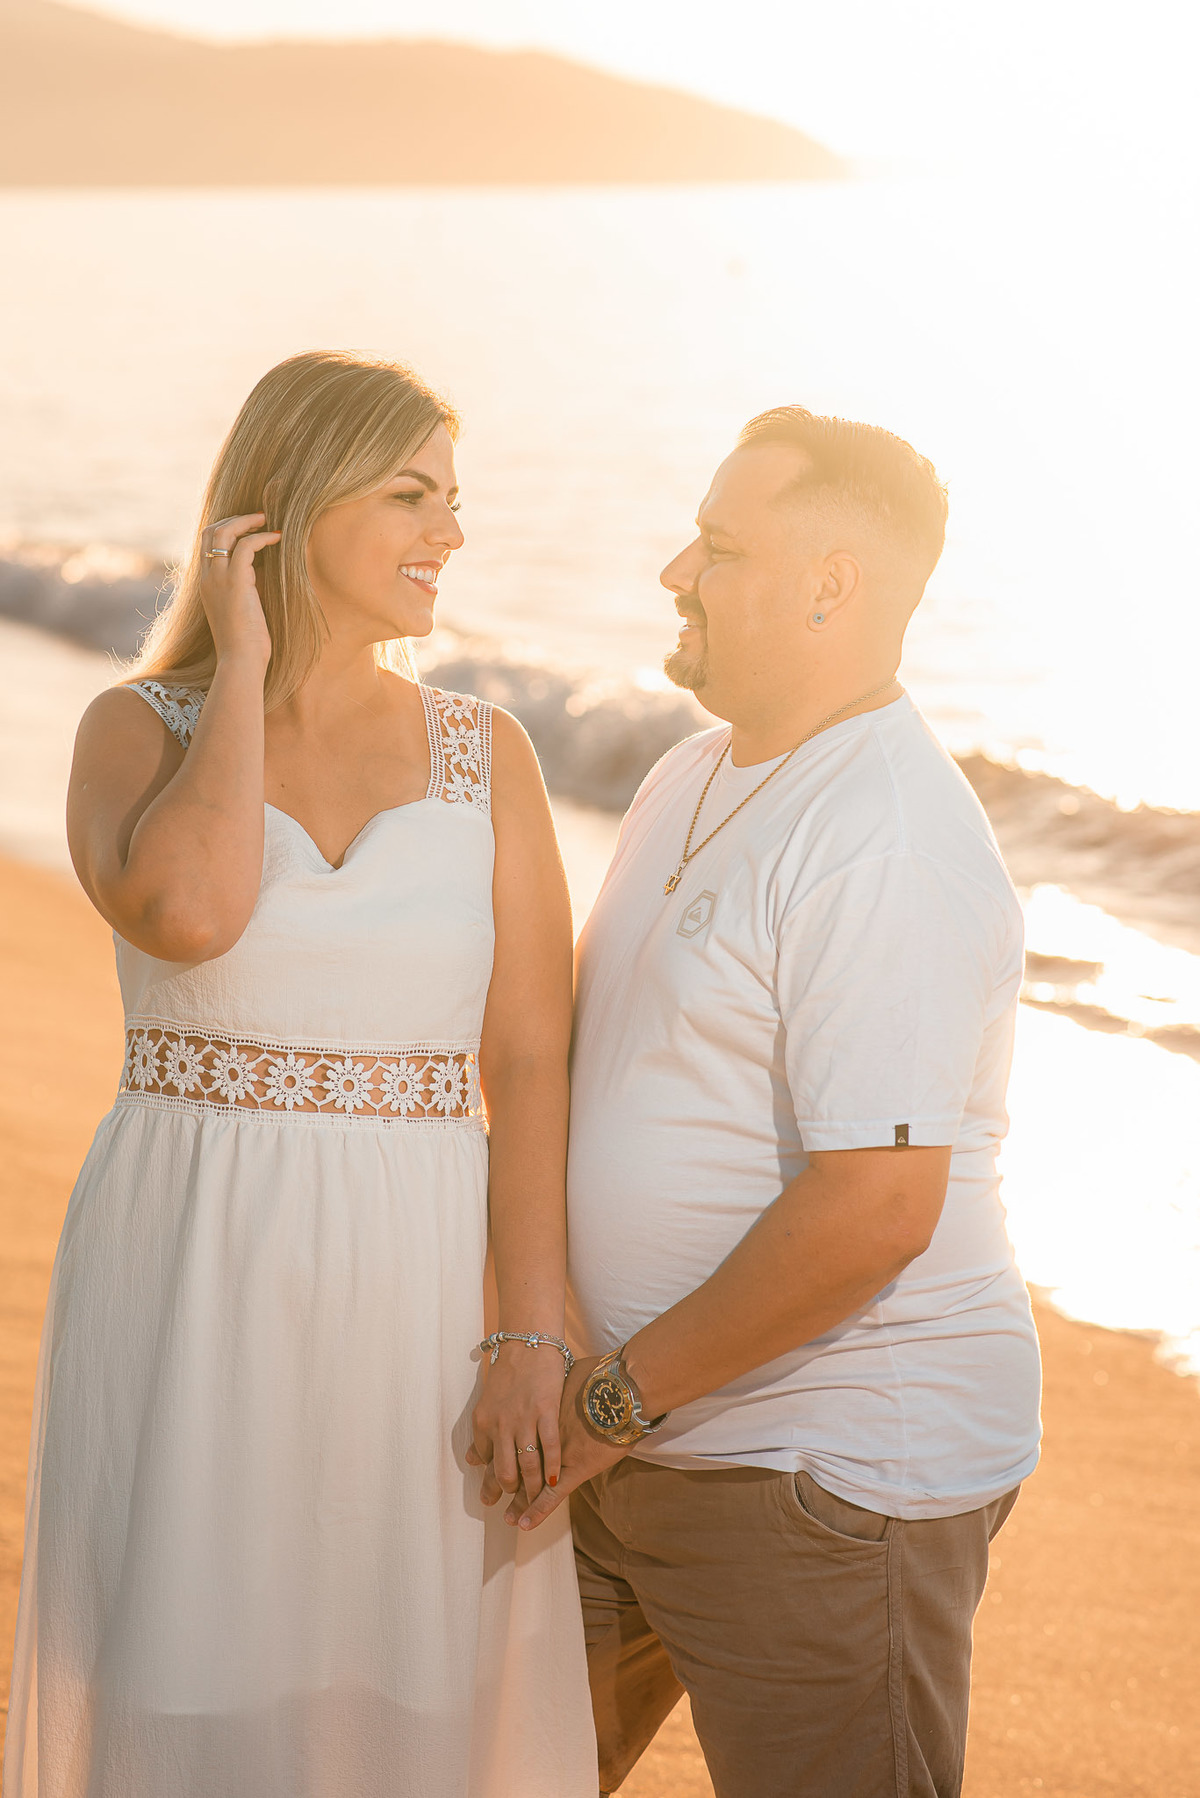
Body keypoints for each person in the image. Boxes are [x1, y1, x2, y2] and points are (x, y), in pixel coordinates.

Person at [4, 351, 596, 1798]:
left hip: (413, 1272)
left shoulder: (488, 753)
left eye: (454, 499)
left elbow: (528, 1051)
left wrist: (531, 1331)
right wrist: (246, 666)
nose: (448, 533)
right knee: (187, 1669)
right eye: (410, 495)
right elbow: (195, 912)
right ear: (291, 504)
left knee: (392, 1683)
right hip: (197, 1251)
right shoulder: (135, 734)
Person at [495, 407, 1042, 1797]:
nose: (676, 571)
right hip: (628, 1444)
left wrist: (612, 1400)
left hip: (819, 1477)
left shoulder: (887, 841)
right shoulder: (695, 771)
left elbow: (875, 1210)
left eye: (718, 546)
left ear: (830, 585)